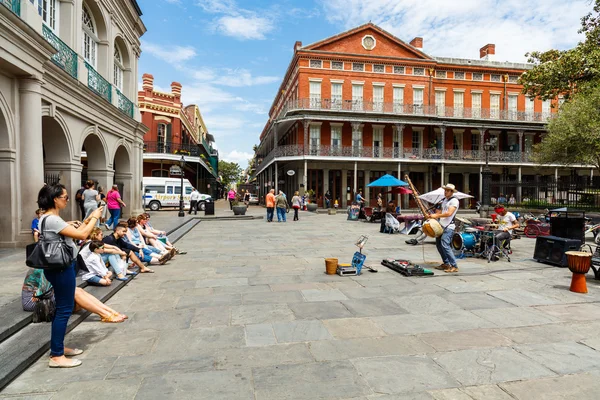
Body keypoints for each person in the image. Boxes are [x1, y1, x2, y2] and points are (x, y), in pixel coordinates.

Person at [36, 183, 103, 368]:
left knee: (62, 309)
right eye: (65, 197)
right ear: (55, 199)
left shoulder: (47, 218)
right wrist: (95, 217)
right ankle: (56, 356)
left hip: (58, 267)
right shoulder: (52, 219)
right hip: (61, 268)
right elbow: (83, 234)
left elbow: (64, 233)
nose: (67, 199)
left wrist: (69, 224)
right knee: (64, 310)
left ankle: (59, 346)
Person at [22, 269, 126, 323]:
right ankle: (105, 315)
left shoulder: (51, 266)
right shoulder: (41, 268)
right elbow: (43, 293)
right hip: (33, 301)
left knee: (78, 290)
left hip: (45, 296)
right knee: (75, 292)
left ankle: (110, 312)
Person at [429, 183, 460, 273]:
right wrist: (434, 214)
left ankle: (454, 265)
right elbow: (441, 211)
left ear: (451, 192)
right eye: (445, 190)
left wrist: (437, 215)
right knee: (439, 245)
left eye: (447, 190)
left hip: (449, 226)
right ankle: (446, 263)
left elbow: (449, 213)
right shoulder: (445, 200)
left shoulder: (454, 201)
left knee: (445, 245)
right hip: (441, 225)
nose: (445, 192)